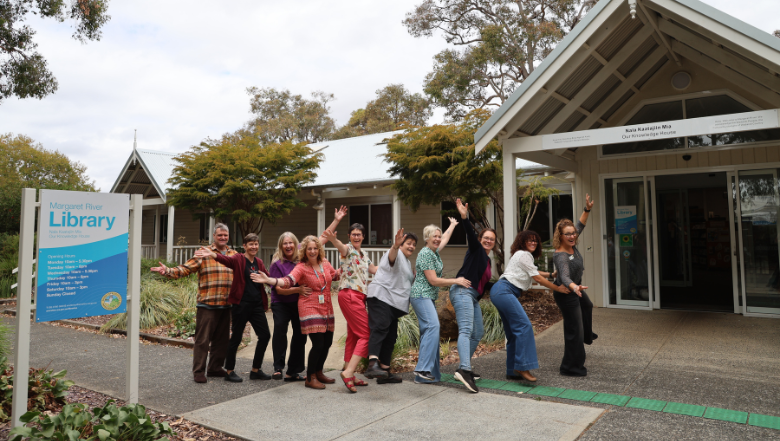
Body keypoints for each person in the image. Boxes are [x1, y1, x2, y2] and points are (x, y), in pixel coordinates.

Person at [267, 206, 347, 382]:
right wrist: (295, 288)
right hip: (282, 302)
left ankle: (294, 371)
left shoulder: (306, 256)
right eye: (284, 243)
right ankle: (279, 368)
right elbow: (282, 285)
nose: (288, 245)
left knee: (300, 337)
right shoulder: (279, 263)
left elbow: (323, 238)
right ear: (281, 246)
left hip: (300, 302)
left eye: (291, 243)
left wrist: (337, 220)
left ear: (296, 245)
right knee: (281, 332)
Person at [251, 235, 340, 390]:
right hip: (309, 306)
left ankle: (319, 372)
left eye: (315, 248)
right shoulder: (301, 267)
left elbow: (334, 275)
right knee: (318, 343)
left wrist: (348, 266)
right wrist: (270, 280)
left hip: (326, 307)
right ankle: (310, 377)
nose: (312, 251)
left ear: (319, 249)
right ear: (304, 251)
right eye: (309, 249)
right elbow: (287, 281)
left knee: (327, 342)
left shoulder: (325, 263)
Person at [150, 223, 236, 384]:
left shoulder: (234, 254)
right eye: (220, 235)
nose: (223, 237)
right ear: (214, 237)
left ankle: (215, 368)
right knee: (203, 340)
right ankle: (198, 371)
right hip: (207, 304)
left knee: (222, 340)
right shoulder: (204, 254)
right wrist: (168, 271)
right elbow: (185, 269)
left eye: (225, 235)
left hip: (226, 304)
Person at [491, 230, 569, 383]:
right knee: (524, 326)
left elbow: (534, 272)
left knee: (514, 333)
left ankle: (512, 370)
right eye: (529, 240)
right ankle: (522, 366)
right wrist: (557, 288)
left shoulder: (520, 255)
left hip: (500, 291)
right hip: (505, 291)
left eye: (535, 240)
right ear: (522, 241)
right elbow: (536, 278)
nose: (533, 243)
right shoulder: (524, 254)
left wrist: (550, 275)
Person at [194, 233, 272, 383]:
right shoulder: (238, 259)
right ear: (244, 246)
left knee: (265, 336)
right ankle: (229, 371)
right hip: (241, 305)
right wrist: (213, 255)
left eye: (256, 244)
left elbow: (268, 279)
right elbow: (226, 260)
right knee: (236, 337)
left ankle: (256, 370)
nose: (254, 246)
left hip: (256, 306)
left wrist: (279, 282)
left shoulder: (259, 262)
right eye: (250, 244)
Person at [410, 220, 471, 385]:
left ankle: (428, 376)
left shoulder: (434, 251)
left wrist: (452, 226)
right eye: (434, 237)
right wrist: (456, 281)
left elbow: (444, 239)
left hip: (427, 297)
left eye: (438, 236)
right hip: (421, 295)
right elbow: (434, 281)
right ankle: (423, 369)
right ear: (426, 238)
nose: (437, 239)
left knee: (430, 334)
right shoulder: (425, 253)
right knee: (433, 327)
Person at [322, 225, 377, 393]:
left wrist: (393, 268)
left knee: (354, 335)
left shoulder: (364, 254)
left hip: (359, 296)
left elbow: (374, 270)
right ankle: (348, 372)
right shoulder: (348, 249)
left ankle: (349, 373)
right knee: (366, 335)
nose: (356, 237)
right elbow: (341, 246)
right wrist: (333, 239)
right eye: (353, 234)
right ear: (349, 236)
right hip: (350, 295)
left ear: (363, 236)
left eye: (359, 234)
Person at [449, 198, 496, 393]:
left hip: (472, 296)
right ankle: (465, 369)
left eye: (492, 239)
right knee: (467, 330)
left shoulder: (487, 260)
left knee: (477, 333)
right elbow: (469, 233)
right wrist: (464, 217)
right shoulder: (476, 250)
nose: (488, 241)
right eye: (485, 237)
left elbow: (484, 283)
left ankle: (463, 366)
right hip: (462, 291)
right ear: (480, 239)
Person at [363, 228, 418, 384]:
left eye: (414, 244)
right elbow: (392, 257)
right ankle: (372, 364)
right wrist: (395, 246)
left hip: (394, 304)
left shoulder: (407, 262)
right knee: (380, 328)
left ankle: (385, 371)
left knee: (391, 336)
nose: (411, 247)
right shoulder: (395, 253)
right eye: (408, 243)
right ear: (401, 244)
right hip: (382, 297)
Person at [552, 193, 596, 377]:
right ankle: (570, 367)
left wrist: (587, 209)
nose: (572, 235)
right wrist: (574, 287)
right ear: (560, 236)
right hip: (566, 291)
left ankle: (586, 334)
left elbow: (581, 223)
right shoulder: (561, 254)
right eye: (567, 234)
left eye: (573, 233)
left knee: (588, 305)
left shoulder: (572, 243)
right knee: (573, 330)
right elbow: (564, 276)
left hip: (575, 289)